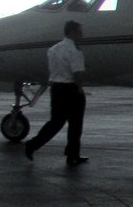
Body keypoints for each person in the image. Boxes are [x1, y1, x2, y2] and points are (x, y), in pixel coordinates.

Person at [25, 20, 89, 166]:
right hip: (71, 90)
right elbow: (77, 73)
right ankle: (72, 155)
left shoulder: (53, 49)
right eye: (79, 32)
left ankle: (33, 144)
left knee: (55, 122)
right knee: (75, 124)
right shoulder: (75, 51)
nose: (81, 35)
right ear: (72, 32)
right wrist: (80, 87)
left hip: (56, 89)